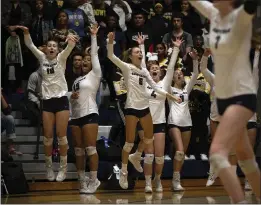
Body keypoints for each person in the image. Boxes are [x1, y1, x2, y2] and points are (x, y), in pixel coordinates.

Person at [189, 0, 260, 203]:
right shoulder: (214, 14)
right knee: (245, 157)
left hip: (242, 95)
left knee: (217, 153)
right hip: (222, 99)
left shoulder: (241, 17)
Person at [107, 32, 179, 189]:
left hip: (144, 108)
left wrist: (170, 97)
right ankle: (124, 172)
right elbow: (111, 56)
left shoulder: (145, 72)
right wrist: (110, 42)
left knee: (149, 139)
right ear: (131, 56)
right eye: (137, 52)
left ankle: (137, 156)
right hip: (132, 108)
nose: (140, 53)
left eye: (141, 52)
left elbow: (155, 87)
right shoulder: (127, 67)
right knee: (129, 143)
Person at [17, 25, 77, 182]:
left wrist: (70, 40)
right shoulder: (42, 58)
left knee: (62, 137)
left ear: (57, 49)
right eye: (49, 46)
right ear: (45, 49)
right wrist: (27, 32)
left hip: (61, 100)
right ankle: (49, 168)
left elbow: (71, 46)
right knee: (48, 138)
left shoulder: (62, 58)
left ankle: (63, 169)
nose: (51, 48)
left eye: (54, 46)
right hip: (47, 102)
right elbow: (29, 45)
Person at [141, 38, 183, 193]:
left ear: (160, 70)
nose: (154, 69)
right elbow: (142, 66)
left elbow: (171, 67)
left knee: (159, 157)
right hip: (145, 123)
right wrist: (141, 44)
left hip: (159, 123)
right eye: (152, 67)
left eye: (157, 67)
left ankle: (157, 179)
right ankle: (147, 183)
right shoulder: (144, 82)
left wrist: (176, 48)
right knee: (149, 155)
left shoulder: (165, 83)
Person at [69, 24, 101, 194]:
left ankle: (94, 180)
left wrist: (94, 36)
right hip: (75, 116)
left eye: (88, 60)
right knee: (79, 151)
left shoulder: (95, 75)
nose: (86, 61)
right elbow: (70, 96)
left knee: (90, 149)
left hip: (89, 113)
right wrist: (70, 96)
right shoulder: (77, 79)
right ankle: (82, 180)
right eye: (84, 60)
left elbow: (94, 54)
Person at [168, 49, 199, 191]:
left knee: (182, 154)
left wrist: (195, 59)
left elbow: (196, 74)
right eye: (177, 74)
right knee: (179, 151)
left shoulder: (187, 89)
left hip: (187, 123)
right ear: (173, 78)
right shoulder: (168, 88)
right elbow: (168, 72)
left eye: (181, 73)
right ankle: (175, 181)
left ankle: (176, 179)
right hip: (174, 122)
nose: (179, 74)